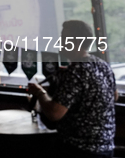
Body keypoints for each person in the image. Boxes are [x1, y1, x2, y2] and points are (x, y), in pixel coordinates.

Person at [28, 20, 118, 158]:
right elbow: (114, 96)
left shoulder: (75, 72)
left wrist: (40, 92)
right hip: (106, 147)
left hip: (79, 149)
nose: (60, 42)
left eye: (63, 38)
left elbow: (54, 113)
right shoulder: (102, 65)